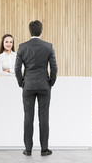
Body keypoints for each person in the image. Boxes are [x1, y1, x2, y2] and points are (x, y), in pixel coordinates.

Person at [14, 20, 57, 156]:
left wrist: (21, 83)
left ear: (29, 31)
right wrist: (51, 82)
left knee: (28, 117)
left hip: (28, 86)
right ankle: (44, 149)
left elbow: (17, 69)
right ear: (41, 31)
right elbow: (54, 68)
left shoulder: (22, 47)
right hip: (44, 85)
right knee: (44, 117)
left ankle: (28, 149)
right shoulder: (48, 46)